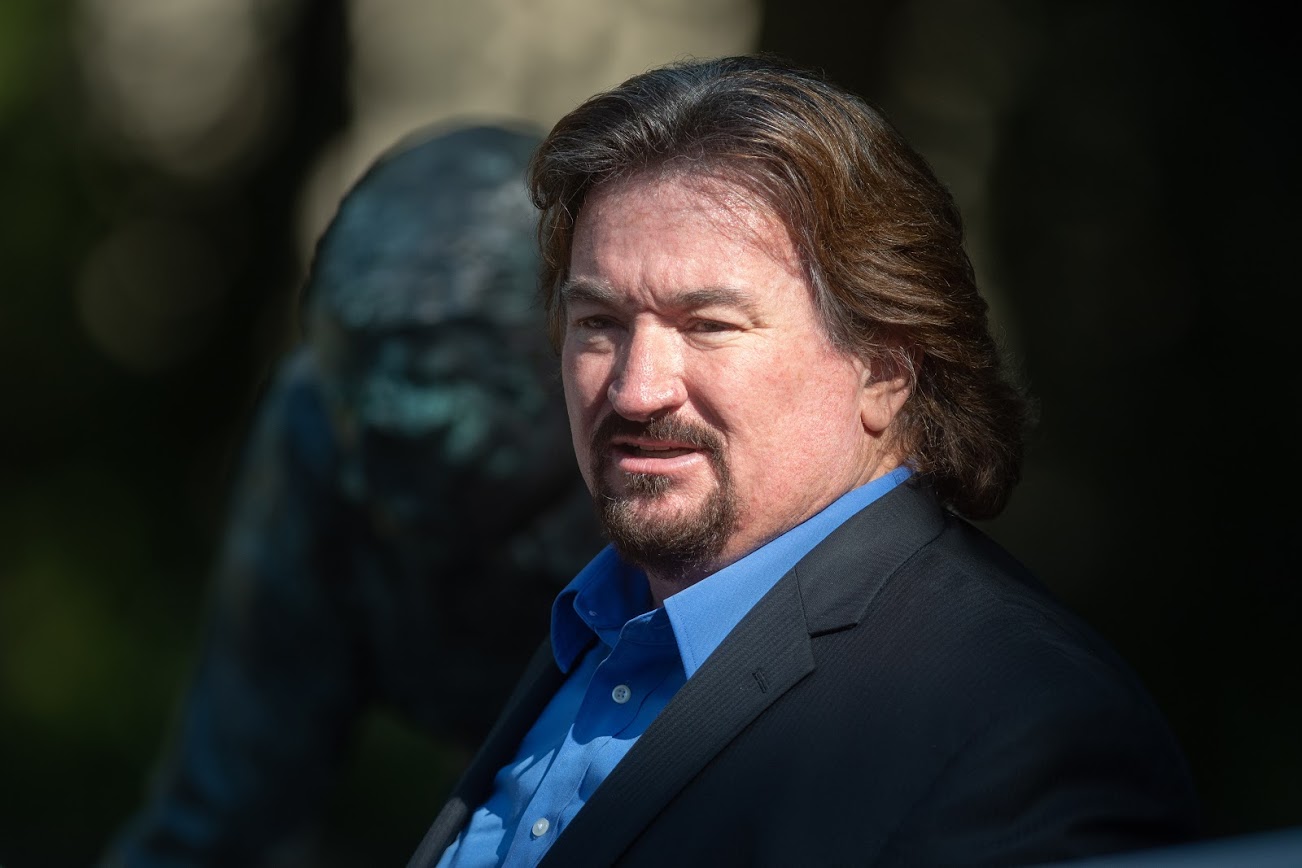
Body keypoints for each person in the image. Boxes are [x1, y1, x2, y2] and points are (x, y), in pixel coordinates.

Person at [407, 55, 1202, 868]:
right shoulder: (595, 626)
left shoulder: (1020, 722)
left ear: (886, 369)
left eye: (709, 324)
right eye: (600, 322)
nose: (637, 390)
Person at [103, 122, 604, 867]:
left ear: (563, 369)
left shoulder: (662, 453)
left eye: (422, 447)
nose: (369, 486)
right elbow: (221, 820)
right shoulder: (321, 428)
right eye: (357, 424)